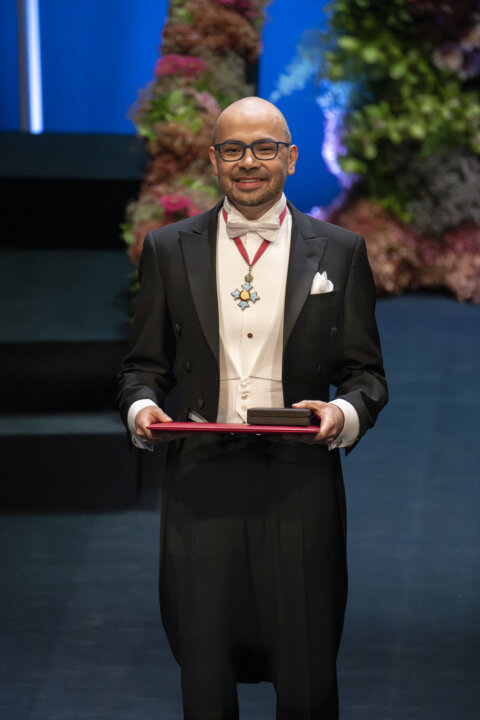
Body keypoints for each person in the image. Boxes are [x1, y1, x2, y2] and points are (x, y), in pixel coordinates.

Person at [118, 97, 388, 719]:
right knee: (204, 669)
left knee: (307, 668)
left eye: (264, 148)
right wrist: (142, 412)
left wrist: (341, 415)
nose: (249, 163)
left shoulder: (341, 251)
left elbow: (366, 374)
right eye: (234, 149)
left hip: (299, 481)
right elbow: (143, 367)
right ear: (213, 159)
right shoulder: (167, 248)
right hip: (200, 476)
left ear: (291, 158)